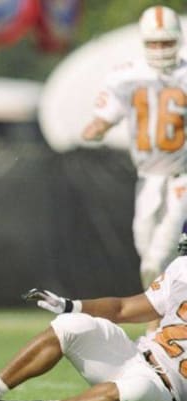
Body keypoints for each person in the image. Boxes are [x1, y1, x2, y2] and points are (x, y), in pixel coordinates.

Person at [0, 234, 187, 401]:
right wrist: (69, 305)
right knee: (72, 325)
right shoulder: (181, 269)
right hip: (137, 355)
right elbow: (122, 309)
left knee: (137, 390)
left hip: (166, 392)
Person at [81, 5, 187, 307]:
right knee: (145, 248)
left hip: (181, 177)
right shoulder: (128, 75)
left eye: (165, 42)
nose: (159, 49)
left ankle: (154, 324)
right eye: (154, 42)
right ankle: (164, 314)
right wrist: (99, 124)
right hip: (147, 178)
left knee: (158, 254)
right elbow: (108, 111)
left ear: (177, 40)